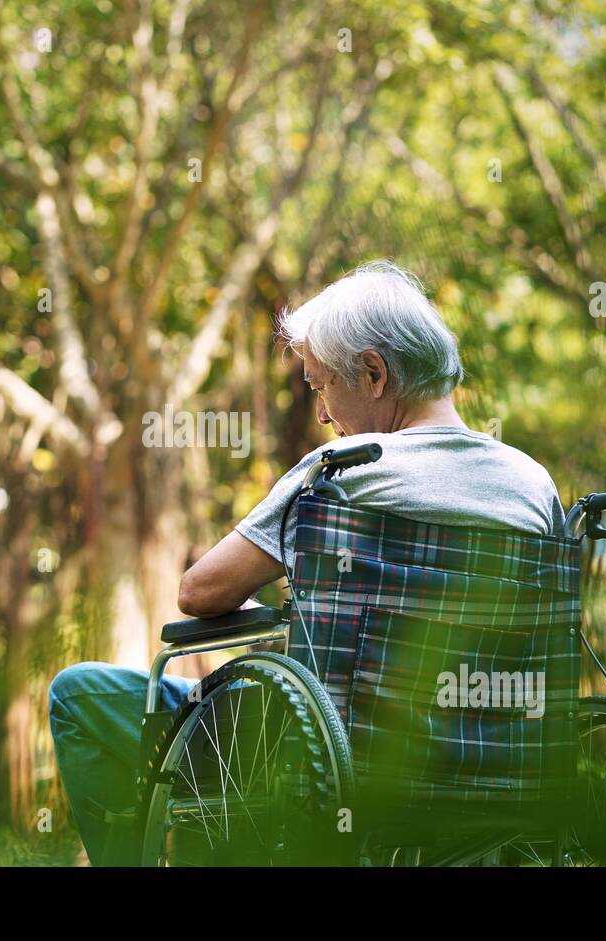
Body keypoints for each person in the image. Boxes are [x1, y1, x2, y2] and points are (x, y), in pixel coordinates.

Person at [48, 260, 566, 864]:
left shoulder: (344, 472)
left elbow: (200, 592)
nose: (321, 414)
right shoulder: (534, 486)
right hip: (500, 761)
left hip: (331, 756)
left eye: (321, 386)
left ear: (373, 373)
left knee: (77, 693)